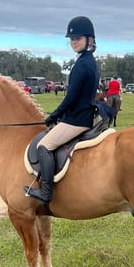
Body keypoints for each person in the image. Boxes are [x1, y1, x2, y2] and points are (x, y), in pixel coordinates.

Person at [24, 16, 100, 204]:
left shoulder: (82, 64)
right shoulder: (88, 60)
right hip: (83, 114)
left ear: (89, 40)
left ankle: (45, 192)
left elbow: (71, 97)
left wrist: (54, 116)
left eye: (78, 39)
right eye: (72, 39)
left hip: (77, 119)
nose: (74, 42)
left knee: (45, 145)